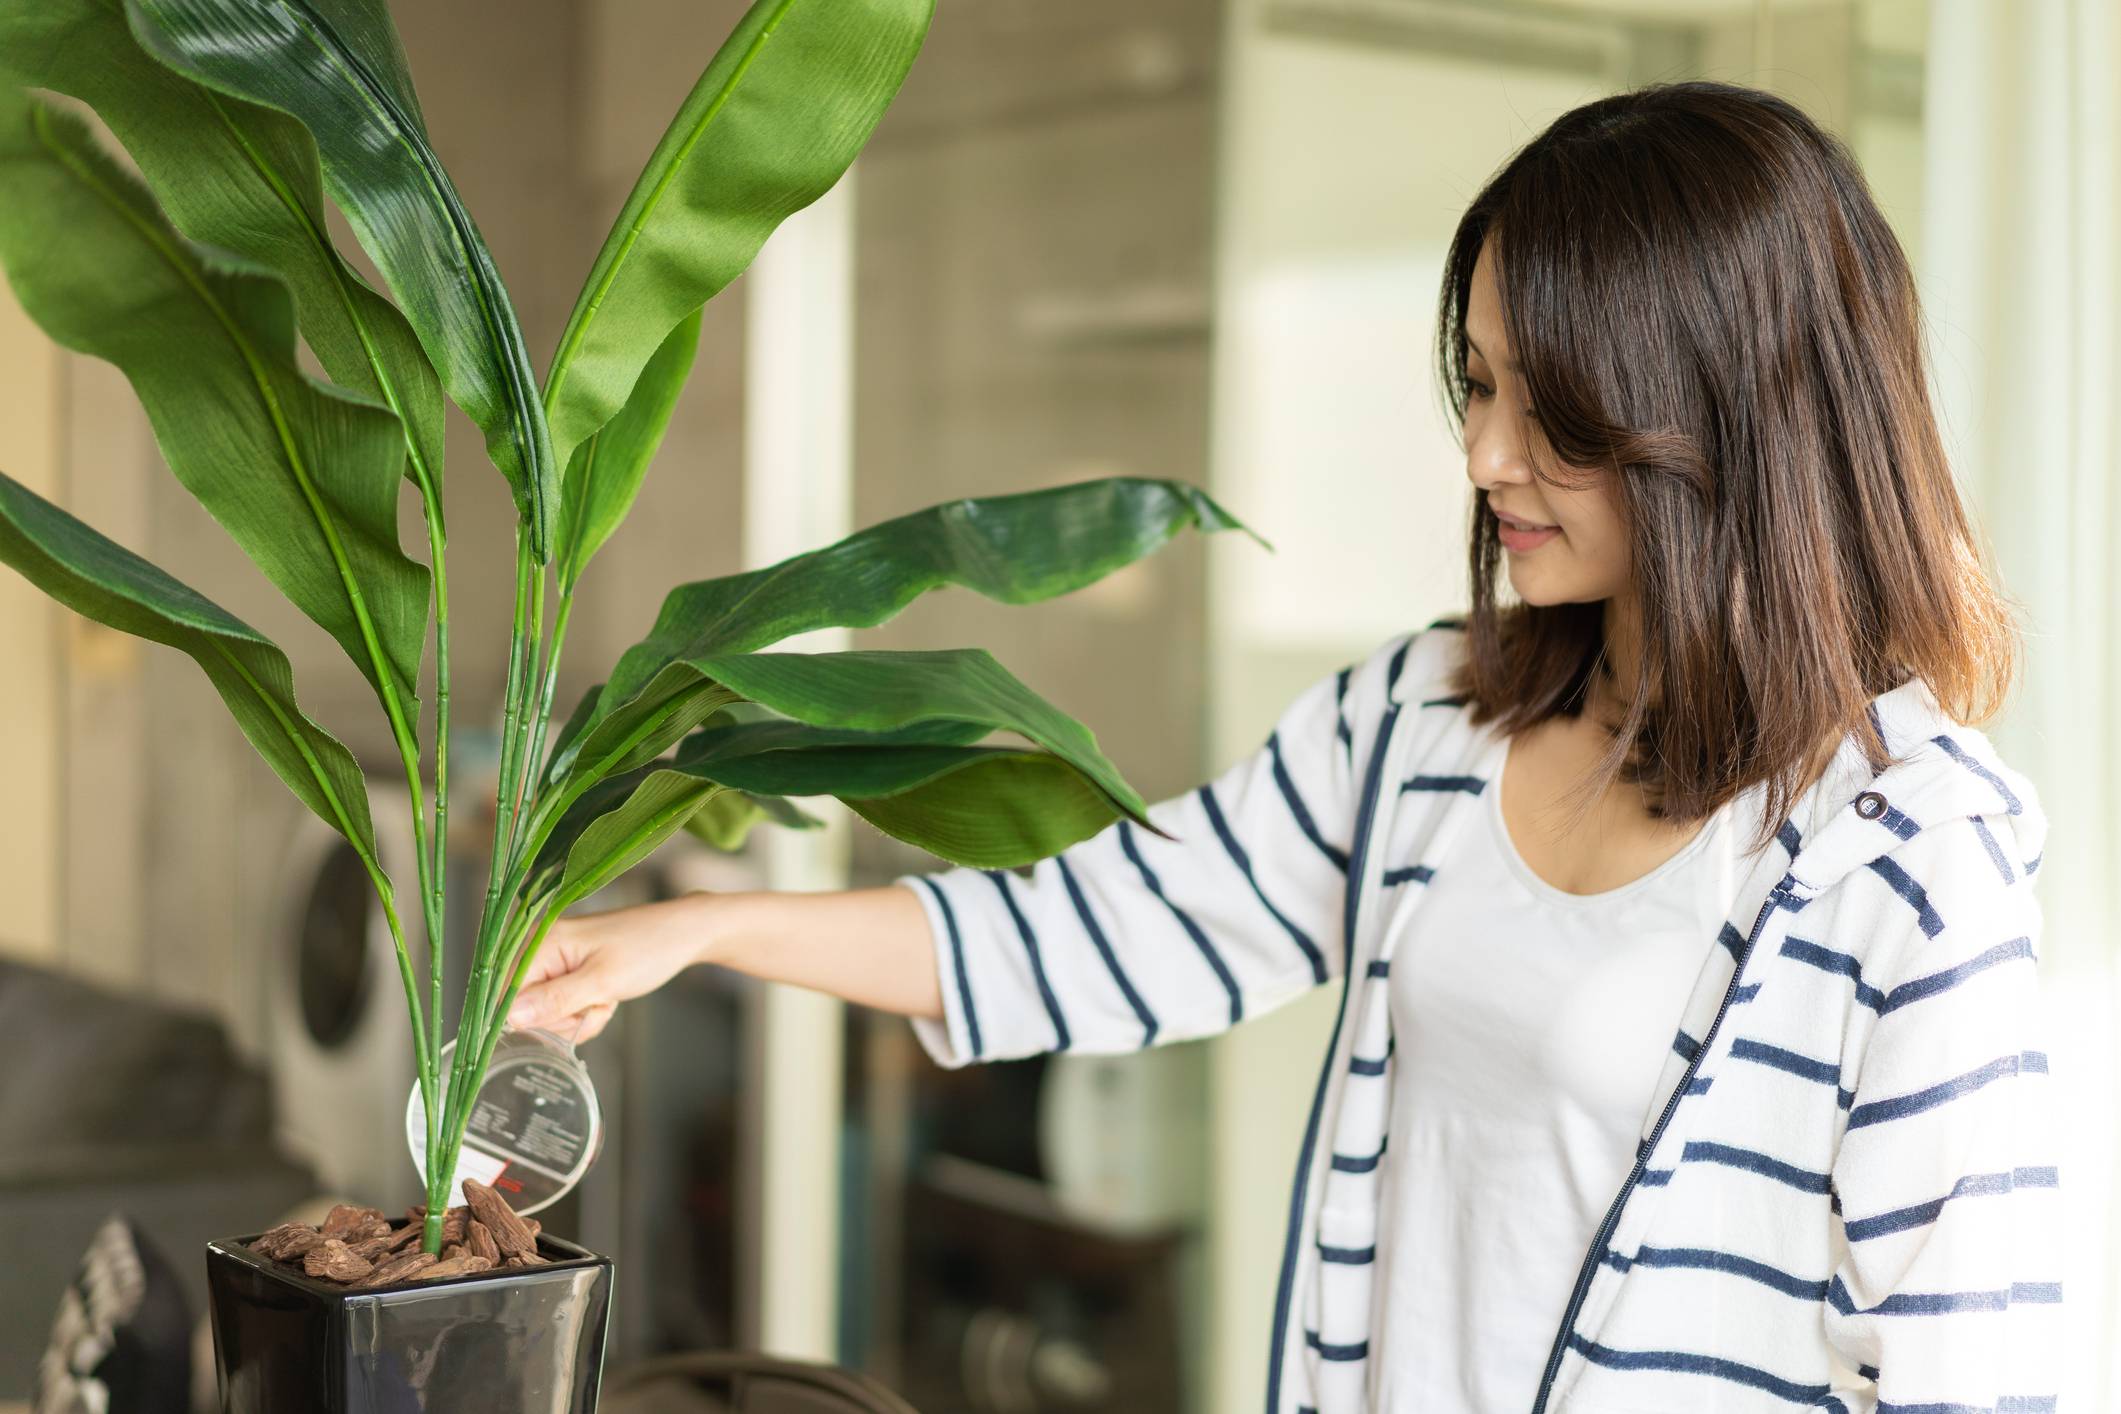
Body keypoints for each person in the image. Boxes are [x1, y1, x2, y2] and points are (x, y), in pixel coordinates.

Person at [507, 79, 2061, 1414]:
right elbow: (1106, 929)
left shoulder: (1907, 859)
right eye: (1476, 379)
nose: (1483, 454)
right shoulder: (1427, 716)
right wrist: (698, 932)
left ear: (1728, 418)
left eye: (1556, 408)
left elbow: (1966, 1370)